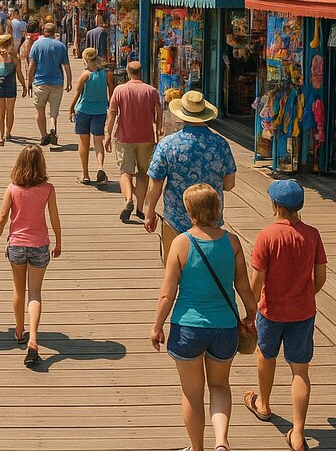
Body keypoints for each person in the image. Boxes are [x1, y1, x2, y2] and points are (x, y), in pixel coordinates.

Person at [151, 184, 256, 451]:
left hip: (188, 326)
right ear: (216, 207)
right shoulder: (231, 242)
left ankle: (197, 448)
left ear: (190, 211)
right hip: (224, 326)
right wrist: (251, 313)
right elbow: (243, 285)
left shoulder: (181, 243)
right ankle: (221, 442)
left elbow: (167, 294)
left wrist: (157, 326)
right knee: (220, 385)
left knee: (192, 393)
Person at [242, 180, 327, 451]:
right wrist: (305, 294)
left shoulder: (266, 236)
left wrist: (249, 312)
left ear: (275, 206)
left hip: (271, 311)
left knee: (266, 356)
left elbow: (257, 282)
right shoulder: (312, 235)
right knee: (300, 369)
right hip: (303, 312)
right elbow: (321, 277)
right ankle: (298, 433)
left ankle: (264, 405)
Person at [0, 145, 61, 367]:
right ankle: (33, 339)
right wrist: (59, 241)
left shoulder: (12, 188)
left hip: (17, 245)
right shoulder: (48, 188)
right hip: (40, 244)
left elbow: (2, 217)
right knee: (35, 293)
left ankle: (19, 329)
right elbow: (54, 217)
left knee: (18, 289)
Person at [143, 91, 236, 263]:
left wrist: (149, 213)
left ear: (182, 115)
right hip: (211, 220)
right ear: (205, 114)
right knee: (207, 271)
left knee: (175, 269)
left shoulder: (167, 145)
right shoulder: (221, 144)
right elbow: (229, 184)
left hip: (176, 218)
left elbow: (155, 184)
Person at [104, 61, 162, 222]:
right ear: (140, 72)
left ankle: (128, 199)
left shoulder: (120, 90)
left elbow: (112, 113)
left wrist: (108, 134)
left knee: (125, 172)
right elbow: (159, 110)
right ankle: (140, 207)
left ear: (129, 73)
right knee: (143, 174)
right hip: (146, 137)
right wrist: (158, 130)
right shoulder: (151, 91)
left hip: (124, 137)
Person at [69, 47, 113, 185]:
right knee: (98, 141)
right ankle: (100, 167)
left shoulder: (85, 75)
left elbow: (77, 94)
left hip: (83, 111)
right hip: (100, 111)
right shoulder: (107, 74)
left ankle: (86, 174)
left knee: (83, 143)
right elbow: (112, 94)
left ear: (86, 60)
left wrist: (71, 109)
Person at [27, 22, 72, 147]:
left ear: (43, 30)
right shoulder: (61, 46)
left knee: (39, 109)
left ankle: (43, 135)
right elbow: (66, 65)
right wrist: (69, 81)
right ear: (55, 31)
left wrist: (29, 82)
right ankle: (52, 126)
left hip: (40, 82)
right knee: (53, 112)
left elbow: (32, 65)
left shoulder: (37, 44)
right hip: (57, 83)